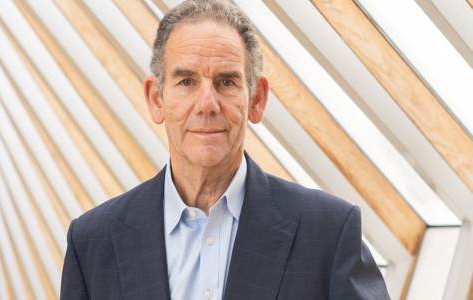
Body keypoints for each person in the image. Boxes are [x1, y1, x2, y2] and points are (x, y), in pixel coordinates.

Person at [60, 0, 390, 299]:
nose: (207, 104)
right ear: (156, 99)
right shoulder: (92, 243)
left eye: (226, 82)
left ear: (257, 100)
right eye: (186, 82)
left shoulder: (329, 235)